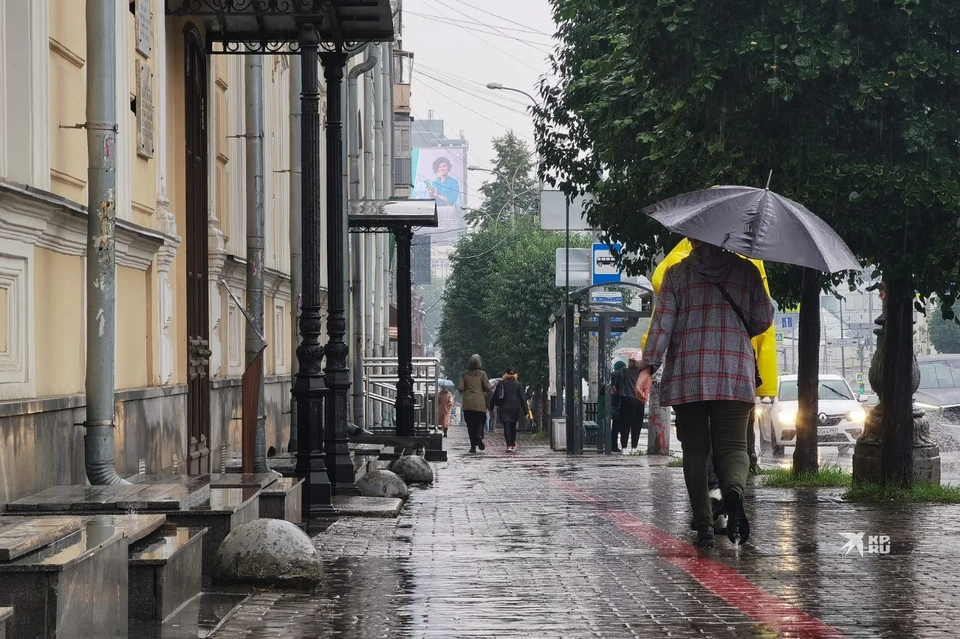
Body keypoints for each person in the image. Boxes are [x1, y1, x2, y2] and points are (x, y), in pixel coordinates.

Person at [637, 240, 774, 548]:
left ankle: (704, 526)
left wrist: (647, 368)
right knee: (735, 446)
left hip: (689, 374)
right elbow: (764, 319)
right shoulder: (747, 271)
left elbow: (662, 327)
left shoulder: (676, 275)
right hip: (734, 371)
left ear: (693, 239)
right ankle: (734, 492)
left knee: (696, 451)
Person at [458, 354, 492, 453]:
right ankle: (479, 436)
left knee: (470, 425)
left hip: (468, 403)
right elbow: (488, 387)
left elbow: (460, 387)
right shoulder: (482, 374)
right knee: (480, 421)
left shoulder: (463, 374)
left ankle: (473, 447)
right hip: (480, 402)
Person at [494, 369, 530, 452]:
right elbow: (522, 398)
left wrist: (492, 405)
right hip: (515, 408)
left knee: (506, 426)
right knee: (513, 426)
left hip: (504, 407)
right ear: (515, 375)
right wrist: (526, 411)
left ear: (505, 375)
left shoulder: (501, 383)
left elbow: (496, 395)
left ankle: (509, 445)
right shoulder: (518, 384)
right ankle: (513, 444)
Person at [614, 359, 645, 454]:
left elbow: (613, 374)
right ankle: (634, 447)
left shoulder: (624, 371)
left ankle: (624, 447)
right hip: (639, 401)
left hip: (627, 400)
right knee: (637, 425)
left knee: (625, 424)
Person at [609, 361, 626, 453]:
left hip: (615, 403)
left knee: (616, 426)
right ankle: (614, 445)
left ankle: (614, 445)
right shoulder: (618, 376)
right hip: (618, 403)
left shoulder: (614, 375)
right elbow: (615, 389)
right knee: (616, 426)